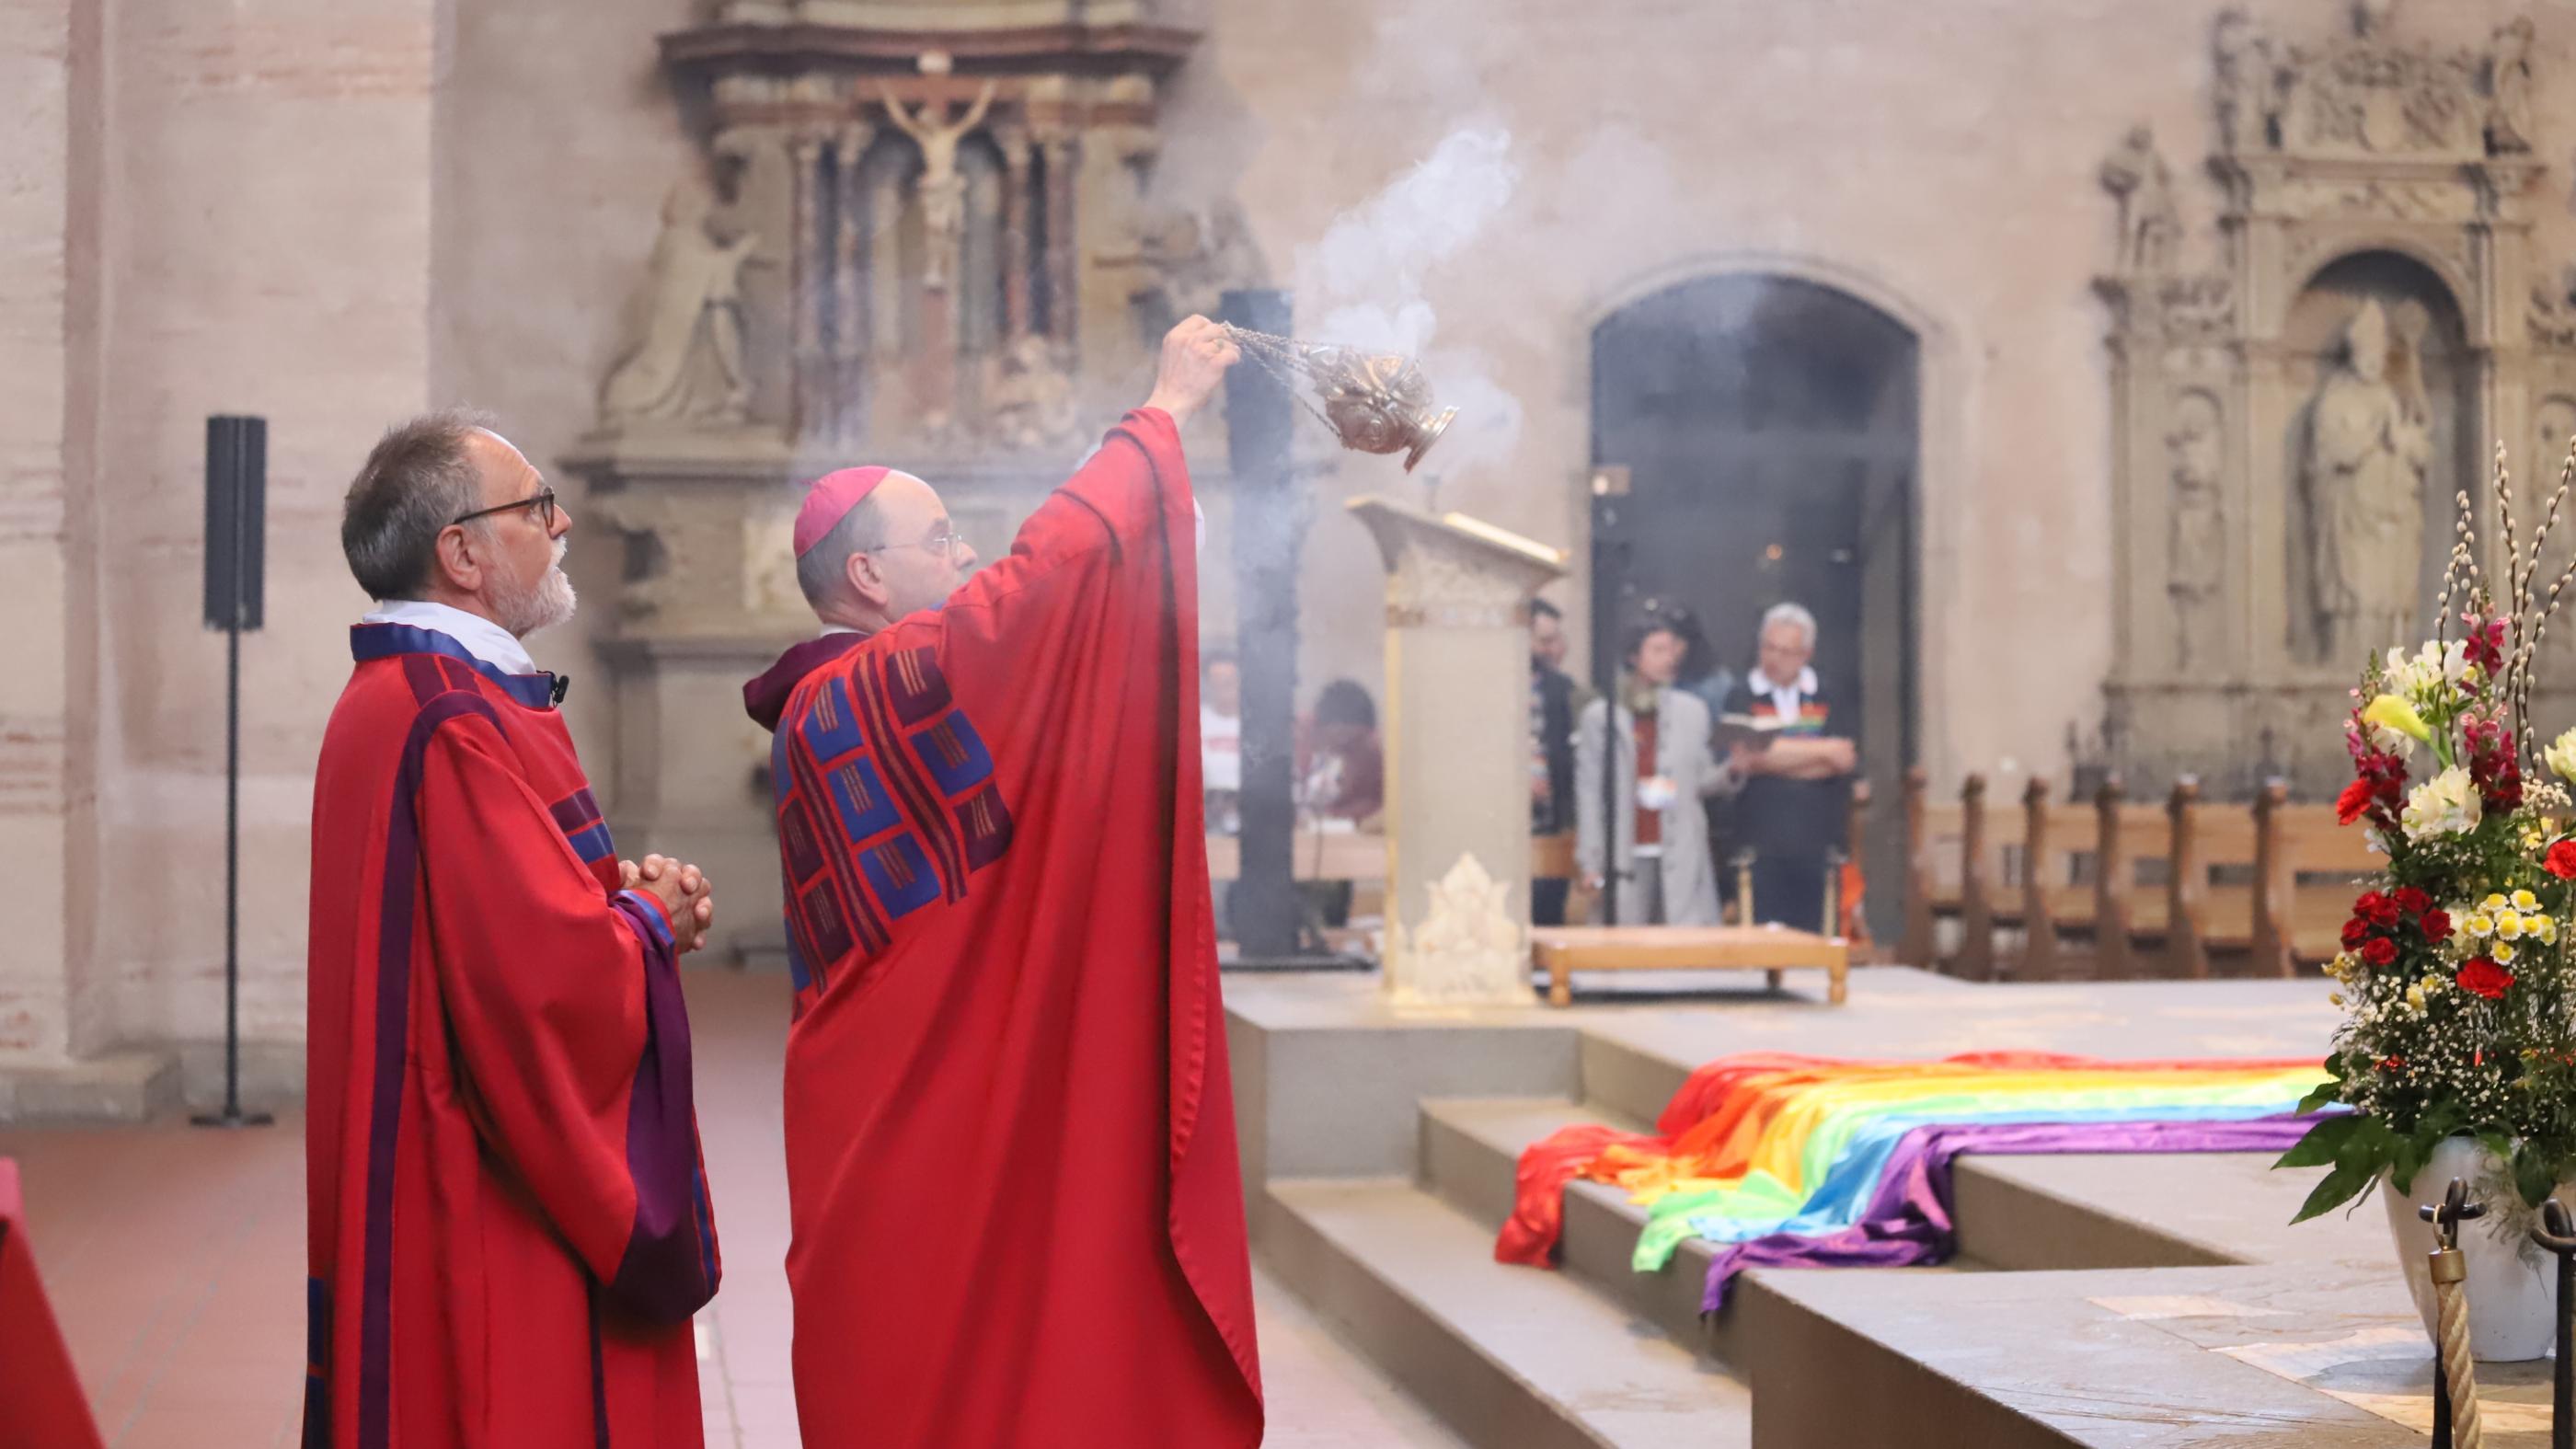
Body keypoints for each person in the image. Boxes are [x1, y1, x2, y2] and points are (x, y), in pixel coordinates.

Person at [738, 316, 1264, 1448]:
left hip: (904, 1086)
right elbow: (1041, 585)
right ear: (869, 573)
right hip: (901, 1096)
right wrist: (1161, 414)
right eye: (941, 537)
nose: (966, 554)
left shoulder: (848, 696)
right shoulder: (865, 689)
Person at [306, 413, 721, 1449]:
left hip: (421, 1137)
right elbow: (540, 990)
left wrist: (609, 897)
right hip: (478, 1185)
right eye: (537, 506)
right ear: (463, 554)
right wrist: (644, 922)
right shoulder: (452, 716)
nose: (564, 520)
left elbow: (485, 919)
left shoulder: (403, 695)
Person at [1574, 619, 1738, 926]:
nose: (1669, 658)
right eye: (1658, 650)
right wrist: (1590, 861)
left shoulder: (1692, 711)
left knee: (1681, 948)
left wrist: (1734, 769)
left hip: (1679, 848)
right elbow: (1590, 793)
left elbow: (1700, 781)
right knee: (1624, 948)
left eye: (1672, 649)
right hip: (1626, 850)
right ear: (1635, 656)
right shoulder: (1601, 717)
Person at [1721, 602, 1860, 933]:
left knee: (1816, 942)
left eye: (1785, 651)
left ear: (1806, 654)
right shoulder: (1741, 695)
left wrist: (1777, 755)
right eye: (1768, 647)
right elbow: (1749, 758)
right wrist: (1819, 752)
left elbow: (1843, 759)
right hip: (1761, 840)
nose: (1774, 658)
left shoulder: (1828, 694)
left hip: (1817, 840)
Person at [1296, 678, 1386, 930]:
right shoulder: (1299, 742)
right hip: (1295, 846)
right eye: (1339, 735)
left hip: (1340, 848)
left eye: (1352, 738)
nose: (1343, 743)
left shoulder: (1368, 751)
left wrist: (1345, 819)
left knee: (1332, 915)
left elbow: (1374, 800)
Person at [1528, 601, 1580, 926]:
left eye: (1556, 640)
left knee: (1550, 915)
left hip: (1551, 823)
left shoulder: (1562, 689)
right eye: (1545, 641)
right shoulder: (1491, 687)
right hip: (1506, 828)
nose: (1554, 650)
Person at [1202, 649, 1245, 835]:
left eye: (1229, 681)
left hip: (1251, 822)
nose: (1223, 686)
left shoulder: (1257, 724)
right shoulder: (1194, 721)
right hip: (1206, 824)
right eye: (1217, 681)